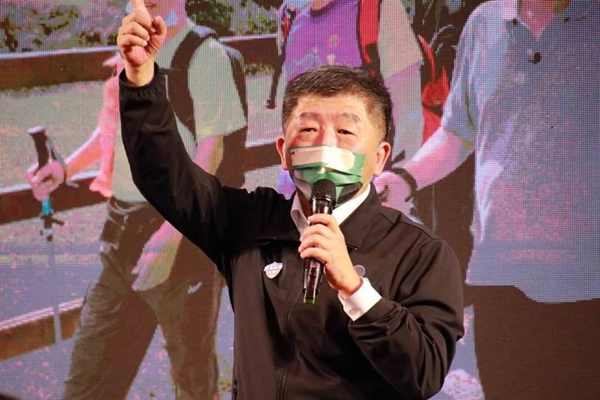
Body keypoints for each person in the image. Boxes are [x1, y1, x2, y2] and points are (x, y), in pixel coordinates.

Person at [116, 1, 464, 398]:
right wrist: (140, 80)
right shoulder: (250, 225)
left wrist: (355, 289)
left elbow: (424, 372)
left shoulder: (421, 254)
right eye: (309, 129)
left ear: (380, 156)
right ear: (284, 151)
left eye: (346, 132)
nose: (326, 144)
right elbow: (166, 177)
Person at [374, 0, 600, 398]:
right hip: (498, 276)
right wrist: (405, 179)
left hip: (586, 282)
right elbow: (457, 131)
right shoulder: (483, 23)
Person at [26, 0, 246, 398]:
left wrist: (171, 236)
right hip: (123, 237)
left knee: (192, 379)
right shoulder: (132, 53)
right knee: (89, 383)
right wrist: (66, 169)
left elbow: (210, 155)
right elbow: (111, 130)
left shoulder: (205, 57)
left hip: (184, 240)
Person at [273, 0, 424, 207]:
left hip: (368, 197)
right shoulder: (288, 15)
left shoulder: (378, 8)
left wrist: (396, 185)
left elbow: (409, 119)